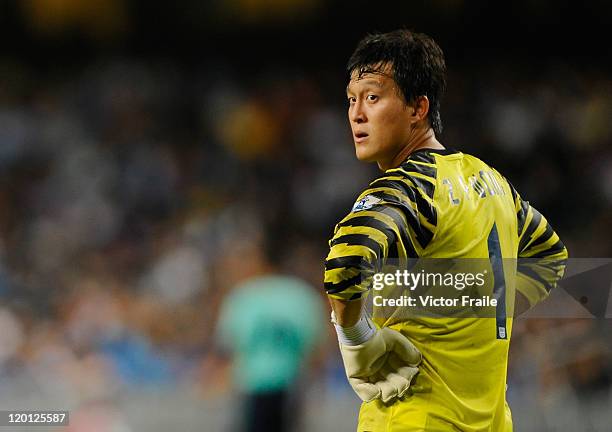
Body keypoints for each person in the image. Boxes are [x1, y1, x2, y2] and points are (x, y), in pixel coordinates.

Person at [324, 30, 568, 431]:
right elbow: (549, 257)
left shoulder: (408, 186)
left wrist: (358, 338)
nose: (356, 114)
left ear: (417, 107)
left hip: (412, 417)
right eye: (351, 100)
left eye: (372, 97)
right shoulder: (493, 182)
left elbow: (346, 261)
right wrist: (485, 312)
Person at [216, 233, 325, 432]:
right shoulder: (303, 295)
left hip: (253, 385)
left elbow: (228, 348)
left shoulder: (243, 296)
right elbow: (316, 348)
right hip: (291, 385)